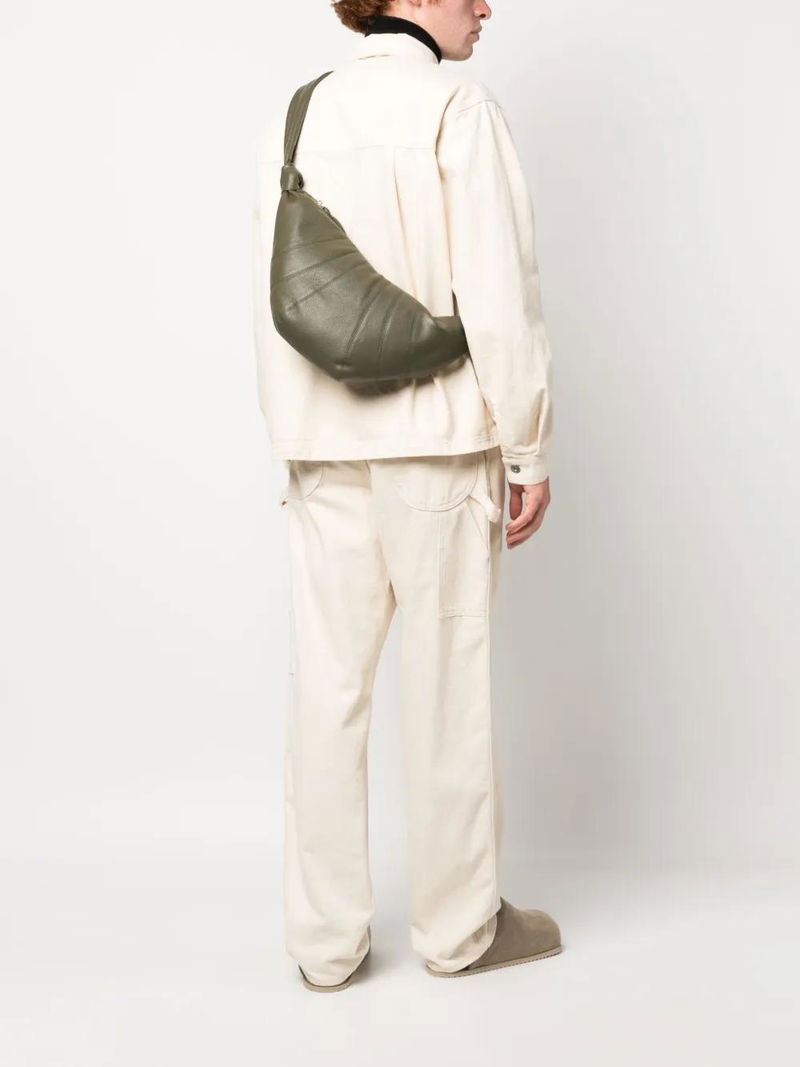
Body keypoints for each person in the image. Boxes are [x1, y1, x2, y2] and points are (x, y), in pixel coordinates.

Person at [252, 0, 561, 991]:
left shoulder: (300, 112)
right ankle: (459, 929)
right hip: (437, 446)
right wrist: (527, 449)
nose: (485, 7)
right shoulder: (455, 109)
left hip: (321, 450)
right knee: (445, 687)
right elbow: (498, 298)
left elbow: (278, 297)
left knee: (326, 690)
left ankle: (323, 943)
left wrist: (295, 432)